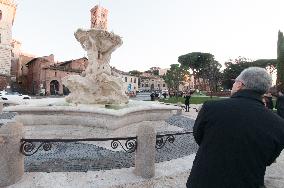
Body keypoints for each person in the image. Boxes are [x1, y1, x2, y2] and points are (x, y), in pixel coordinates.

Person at [186, 67, 284, 188]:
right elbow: (269, 159)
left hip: (203, 181)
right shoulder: (279, 124)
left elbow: (199, 136)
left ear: (239, 85)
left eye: (234, 82)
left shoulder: (210, 108)